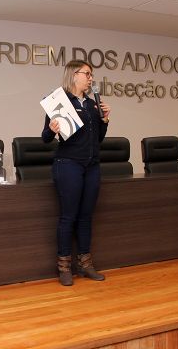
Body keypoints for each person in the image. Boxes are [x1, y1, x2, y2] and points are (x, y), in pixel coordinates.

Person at [42, 60, 111, 286]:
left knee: (86, 216)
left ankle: (85, 264)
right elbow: (45, 138)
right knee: (68, 216)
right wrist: (51, 130)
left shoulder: (92, 104)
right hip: (68, 164)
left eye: (91, 74)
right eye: (87, 74)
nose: (91, 78)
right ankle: (64, 267)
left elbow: (98, 139)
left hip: (91, 166)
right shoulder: (60, 101)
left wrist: (105, 120)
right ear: (74, 75)